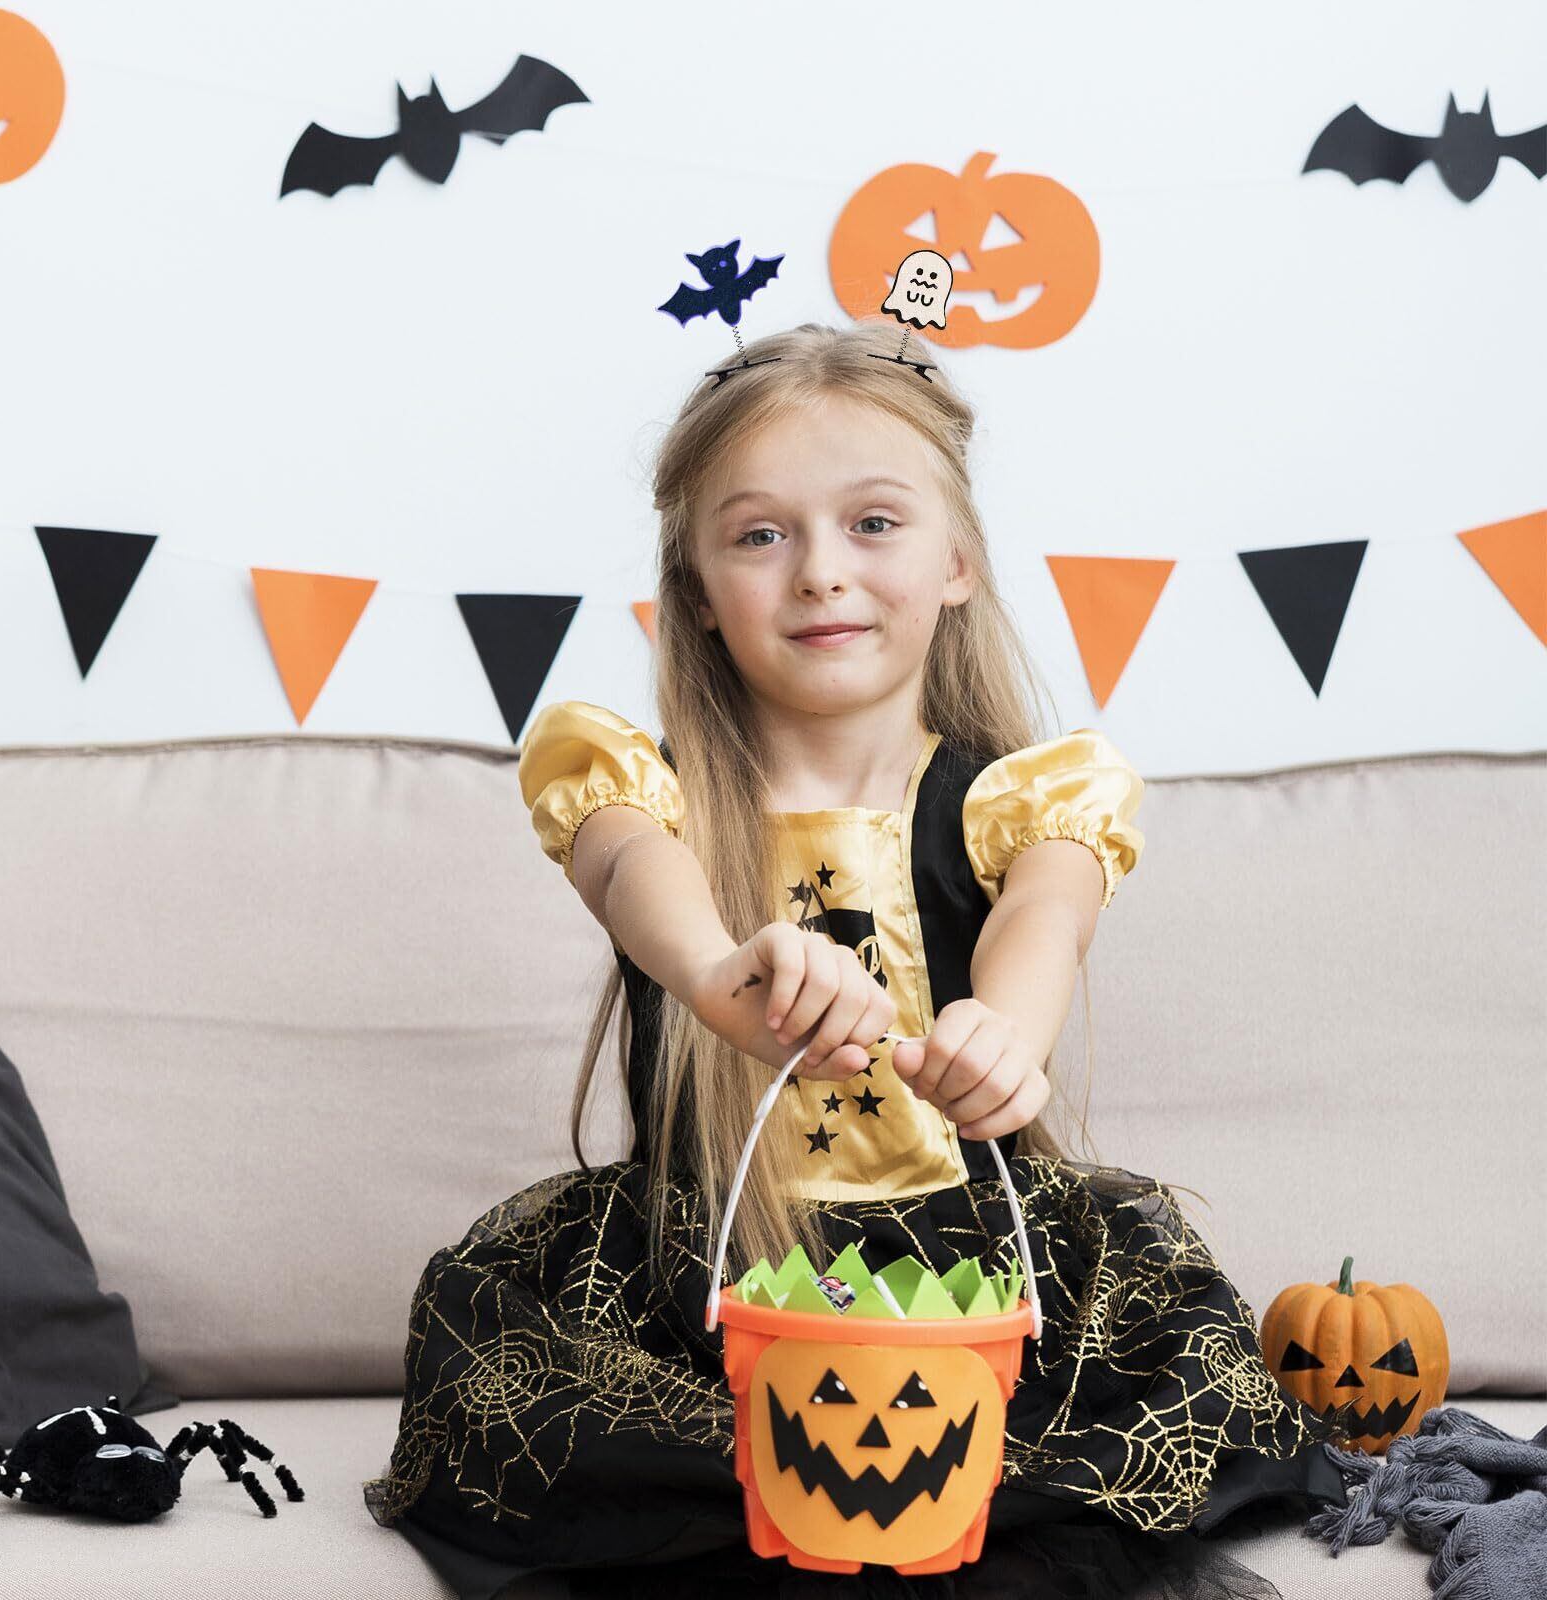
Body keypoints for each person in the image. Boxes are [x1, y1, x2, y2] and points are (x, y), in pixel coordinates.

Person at [362, 320, 1347, 1599]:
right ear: (697, 590)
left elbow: (1046, 917)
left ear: (957, 561)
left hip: (974, 1282)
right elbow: (625, 870)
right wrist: (718, 975)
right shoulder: (638, 792)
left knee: (1145, 1391)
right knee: (533, 1403)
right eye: (759, 535)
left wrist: (1004, 1032)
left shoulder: (1026, 803)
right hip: (709, 1286)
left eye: (873, 522)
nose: (821, 572)